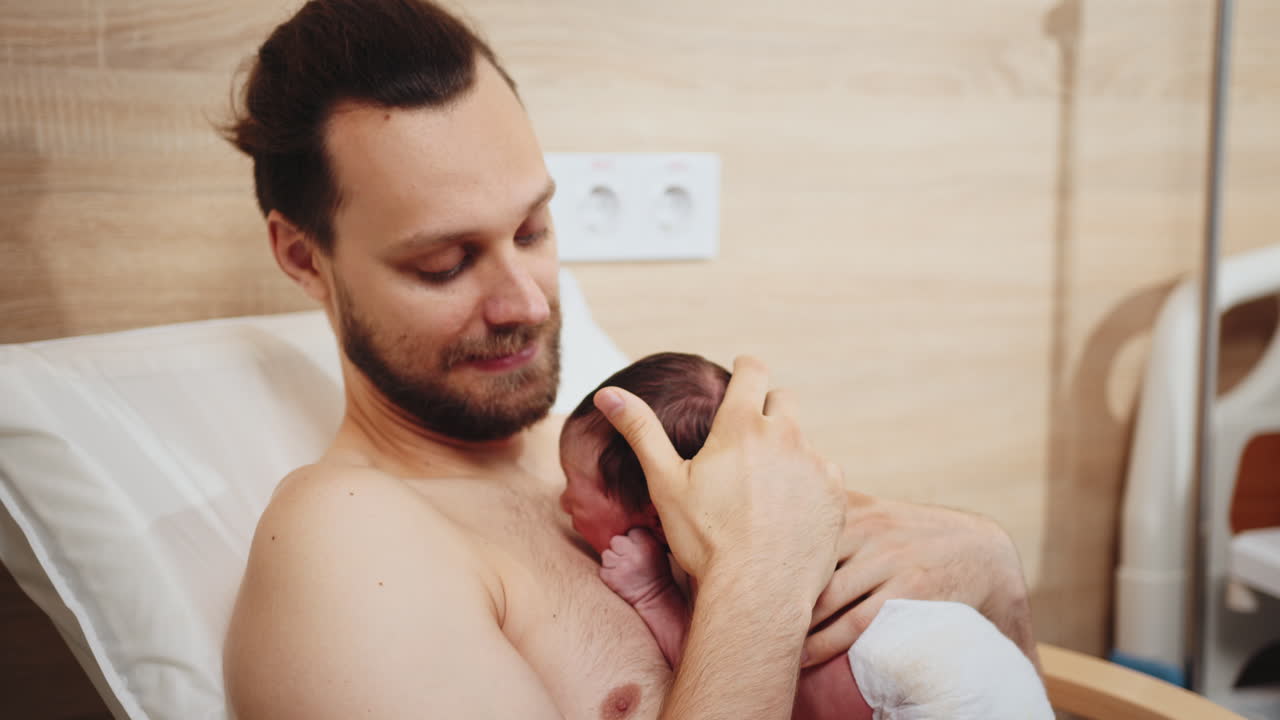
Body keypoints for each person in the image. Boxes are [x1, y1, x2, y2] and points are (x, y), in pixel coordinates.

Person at [220, 1, 1041, 718]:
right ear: (302, 256)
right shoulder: (349, 540)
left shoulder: (617, 442)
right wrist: (755, 584)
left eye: (534, 231)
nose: (531, 303)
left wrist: (994, 570)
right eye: (445, 263)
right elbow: (775, 567)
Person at [560, 352, 1052, 719]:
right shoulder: (786, 500)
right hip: (984, 667)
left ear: (653, 510)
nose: (562, 504)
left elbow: (728, 668)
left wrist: (651, 594)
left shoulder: (728, 551)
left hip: (932, 690)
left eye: (575, 490)